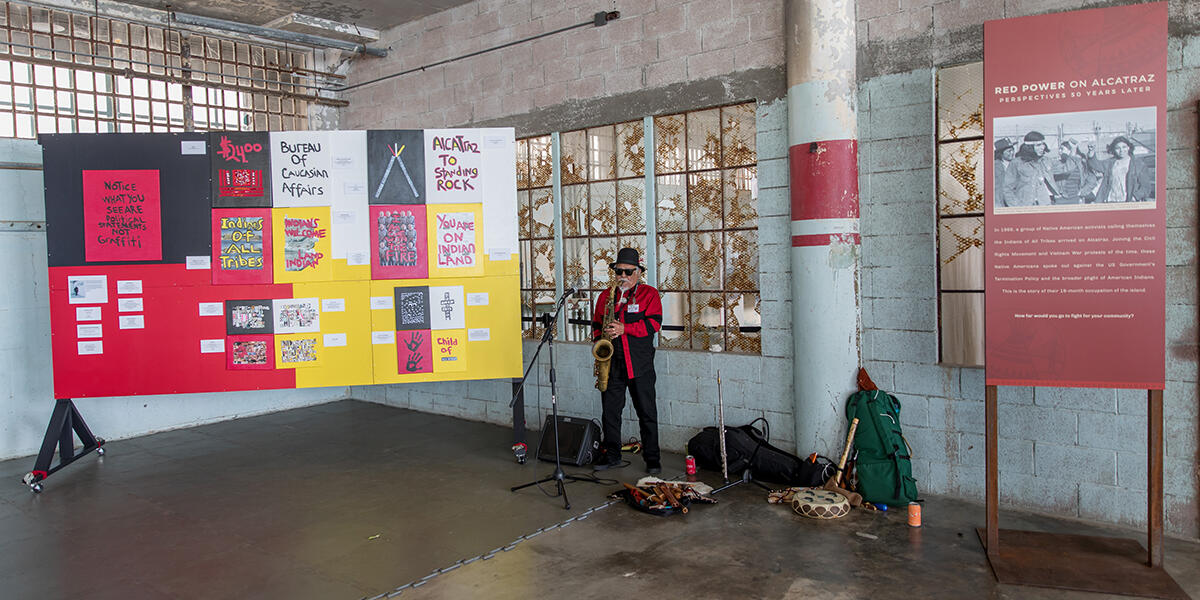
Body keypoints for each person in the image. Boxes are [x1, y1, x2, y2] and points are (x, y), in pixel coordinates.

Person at [591, 247, 663, 474]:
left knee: (647, 413)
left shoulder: (649, 294)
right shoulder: (605, 296)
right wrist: (599, 343)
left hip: (639, 364)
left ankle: (653, 460)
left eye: (628, 272)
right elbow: (596, 324)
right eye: (619, 271)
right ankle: (611, 455)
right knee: (610, 412)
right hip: (612, 363)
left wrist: (625, 328)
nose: (623, 276)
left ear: (638, 272)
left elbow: (654, 324)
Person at [1002, 131, 1061, 207]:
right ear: (1029, 147)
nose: (1042, 147)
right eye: (1038, 145)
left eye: (1043, 144)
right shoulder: (1016, 163)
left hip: (1046, 203)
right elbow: (1007, 189)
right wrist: (1016, 207)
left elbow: (1065, 168)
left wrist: (1072, 150)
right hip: (1026, 204)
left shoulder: (1046, 161)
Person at [1088, 135, 1154, 203]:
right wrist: (1091, 153)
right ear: (1114, 149)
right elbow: (1096, 165)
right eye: (1118, 148)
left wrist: (1135, 197)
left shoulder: (1139, 165)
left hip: (1128, 201)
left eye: (1124, 147)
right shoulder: (1110, 163)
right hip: (1111, 200)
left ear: (1128, 147)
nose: (1121, 150)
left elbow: (1146, 187)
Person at [993, 138, 1015, 207]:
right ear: (1001, 153)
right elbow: (1000, 189)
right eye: (1009, 151)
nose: (1012, 153)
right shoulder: (996, 166)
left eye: (1012, 150)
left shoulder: (1013, 164)